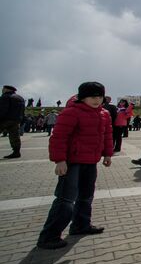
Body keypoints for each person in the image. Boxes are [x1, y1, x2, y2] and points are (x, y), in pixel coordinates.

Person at [37, 82, 113, 249]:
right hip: (73, 162)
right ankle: (49, 235)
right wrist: (60, 160)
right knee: (66, 199)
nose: (96, 100)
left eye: (100, 97)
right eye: (93, 97)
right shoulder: (71, 112)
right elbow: (58, 137)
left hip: (91, 161)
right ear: (82, 97)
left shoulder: (104, 114)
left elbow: (107, 135)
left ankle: (80, 225)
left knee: (86, 195)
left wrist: (107, 154)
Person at [0, 85, 25, 158]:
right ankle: (16, 152)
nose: (2, 90)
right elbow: (23, 111)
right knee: (15, 136)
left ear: (6, 89)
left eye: (3, 89)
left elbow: (3, 109)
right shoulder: (20, 98)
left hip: (6, 119)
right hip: (16, 120)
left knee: (14, 136)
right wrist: (22, 119)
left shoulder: (5, 96)